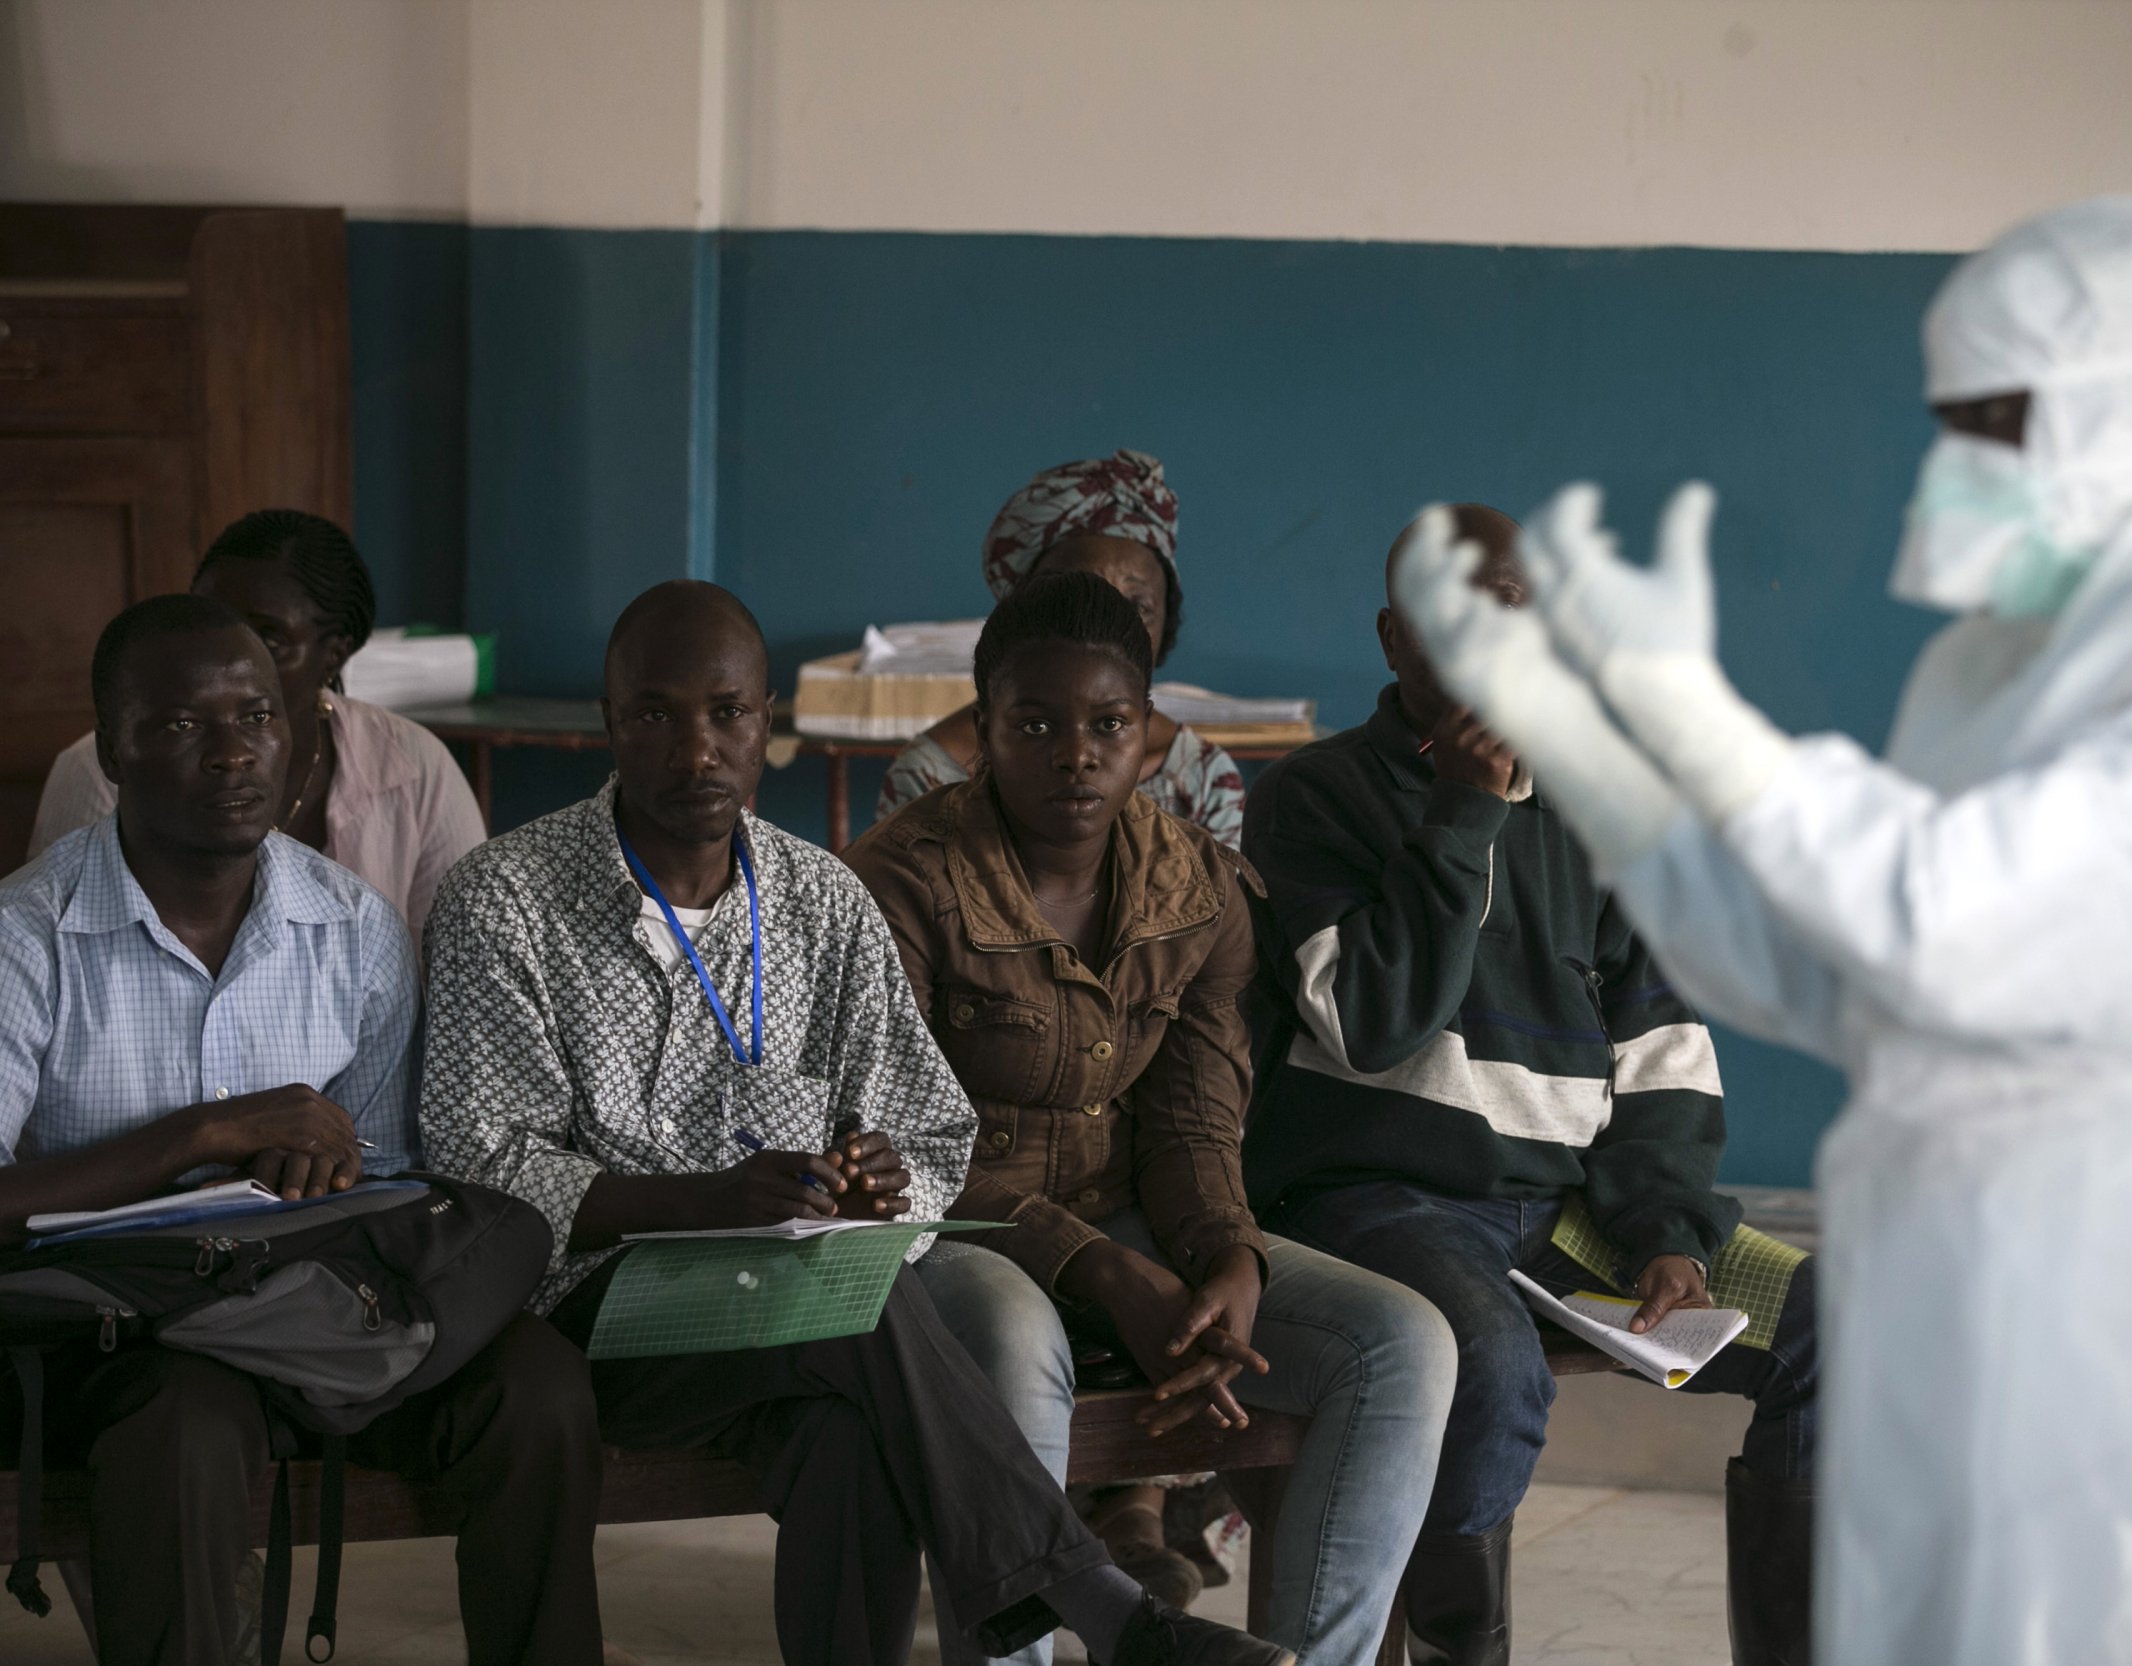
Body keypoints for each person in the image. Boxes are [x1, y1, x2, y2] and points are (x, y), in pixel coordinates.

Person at [1389, 196, 2132, 1666]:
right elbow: (1833, 967)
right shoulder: (2030, 644)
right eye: (1950, 419)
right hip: (1986, 1279)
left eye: (1997, 421)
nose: (1958, 466)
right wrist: (1568, 732)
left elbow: (1940, 920)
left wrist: (1683, 707)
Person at [418, 579, 1291, 1666]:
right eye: (656, 714)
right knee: (862, 1318)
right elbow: (481, 1173)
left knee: (854, 1418)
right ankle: (1110, 1613)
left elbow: (926, 1131)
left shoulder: (818, 898)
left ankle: (1094, 1608)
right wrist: (705, 1202)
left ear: (768, 724)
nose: (697, 748)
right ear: (610, 723)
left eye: (728, 713)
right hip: (589, 1313)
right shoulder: (503, 897)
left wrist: (884, 1186)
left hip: (781, 1315)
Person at [1240, 509, 1819, 1666]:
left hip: (1561, 1214)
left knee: (1834, 1322)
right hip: (1377, 1199)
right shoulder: (1313, 797)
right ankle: (1462, 1647)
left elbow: (1658, 1043)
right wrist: (1462, 814)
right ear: (1395, 639)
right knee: (1484, 1365)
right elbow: (1367, 1023)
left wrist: (1669, 1231)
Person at [847, 571, 1457, 1666]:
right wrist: (1108, 1273)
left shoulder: (1200, 887)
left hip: (1127, 1217)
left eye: (1106, 725)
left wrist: (1225, 1256)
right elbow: (905, 1150)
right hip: (949, 1230)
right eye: (1033, 724)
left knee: (1400, 1343)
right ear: (981, 731)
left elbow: (1191, 1117)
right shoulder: (900, 883)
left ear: (1148, 737)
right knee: (1015, 1334)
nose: (1074, 754)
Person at [0, 594, 602, 1666]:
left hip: (314, 1301)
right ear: (113, 751)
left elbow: (386, 1168)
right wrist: (207, 1131)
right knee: (183, 1427)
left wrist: (327, 1165)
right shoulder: (29, 937)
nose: (235, 752)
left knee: (537, 1383)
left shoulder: (350, 924)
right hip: (133, 1329)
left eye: (259, 717)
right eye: (183, 724)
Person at [25, 508, 486, 935]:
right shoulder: (101, 766)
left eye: (268, 636)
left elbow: (465, 958)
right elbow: (61, 930)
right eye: (212, 621)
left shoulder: (415, 766)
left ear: (335, 654)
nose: (230, 655)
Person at [874, 451, 1247, 847]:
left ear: (1166, 619)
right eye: (1078, 599)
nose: (1109, 626)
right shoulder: (930, 774)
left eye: (1137, 606)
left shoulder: (1202, 775)